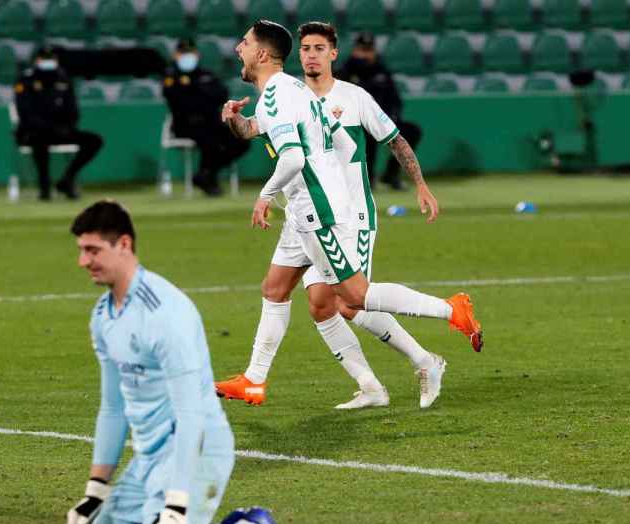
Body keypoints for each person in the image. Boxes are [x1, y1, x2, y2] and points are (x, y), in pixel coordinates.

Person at [214, 20, 483, 408]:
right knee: (278, 290)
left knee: (353, 297)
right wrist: (235, 121)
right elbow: (259, 128)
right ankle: (256, 379)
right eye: (305, 47)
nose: (237, 48)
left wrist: (264, 195)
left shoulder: (297, 93)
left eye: (243, 43)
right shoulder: (290, 89)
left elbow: (292, 156)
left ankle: (450, 310)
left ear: (261, 53)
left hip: (322, 210)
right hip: (303, 211)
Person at [66, 200, 301, 524]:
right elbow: (112, 407)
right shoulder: (103, 315)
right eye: (81, 250)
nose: (83, 261)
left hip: (197, 451)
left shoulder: (165, 313)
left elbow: (192, 411)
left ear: (124, 244)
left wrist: (176, 504)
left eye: (93, 250)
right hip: (148, 460)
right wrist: (96, 489)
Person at [162, 38, 251, 197]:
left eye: (190, 53)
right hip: (186, 125)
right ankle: (207, 177)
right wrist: (201, 95)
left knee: (241, 140)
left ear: (197, 55)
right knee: (210, 141)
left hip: (211, 122)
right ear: (176, 55)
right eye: (183, 53)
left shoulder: (206, 74)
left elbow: (222, 94)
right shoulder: (171, 77)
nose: (187, 57)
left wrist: (195, 93)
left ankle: (206, 174)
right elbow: (177, 101)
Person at [14, 47, 103, 201]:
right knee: (39, 141)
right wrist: (49, 127)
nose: (49, 62)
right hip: (34, 132)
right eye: (45, 59)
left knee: (94, 140)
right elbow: (25, 113)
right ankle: (44, 187)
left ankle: (67, 179)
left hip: (61, 131)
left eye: (51, 59)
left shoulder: (63, 79)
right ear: (37, 61)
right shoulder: (26, 80)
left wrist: (67, 127)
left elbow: (73, 109)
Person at [339, 31, 423, 192]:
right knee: (366, 135)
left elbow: (395, 99)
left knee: (412, 131)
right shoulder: (345, 71)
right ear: (355, 51)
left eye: (369, 50)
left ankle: (391, 175)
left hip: (384, 121)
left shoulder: (381, 70)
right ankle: (367, 178)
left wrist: (393, 117)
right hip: (357, 124)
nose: (365, 54)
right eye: (362, 50)